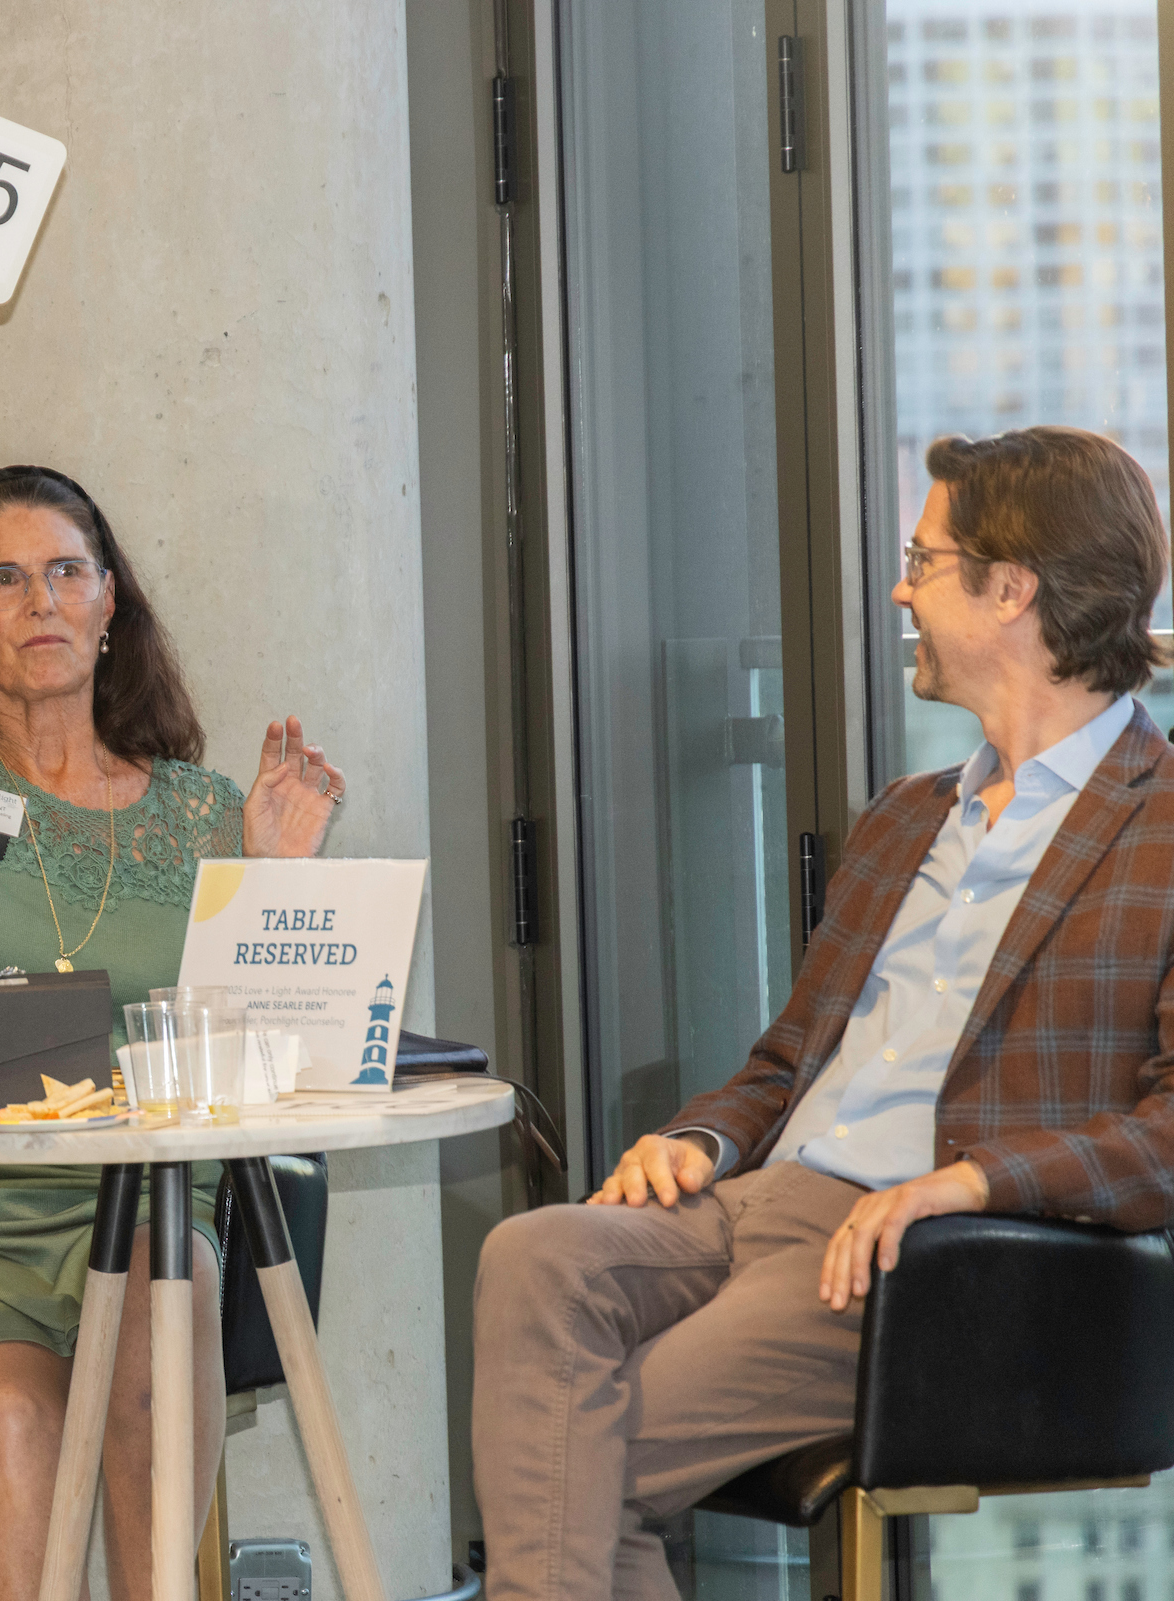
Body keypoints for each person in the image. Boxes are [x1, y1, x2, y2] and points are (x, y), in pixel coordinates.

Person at [470, 425, 1174, 1601]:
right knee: (536, 1251)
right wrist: (699, 1139)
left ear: (1012, 589)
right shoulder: (906, 816)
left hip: (922, 1257)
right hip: (762, 1198)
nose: (901, 590)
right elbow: (790, 1057)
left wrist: (969, 1183)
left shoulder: (1162, 826)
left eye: (923, 561)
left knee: (582, 1460)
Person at [0, 283, 347, 1601]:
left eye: (66, 570)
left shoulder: (208, 812)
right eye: (1, 576)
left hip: (141, 1214)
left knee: (162, 1321)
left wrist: (274, 889)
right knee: (19, 1421)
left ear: (109, 604)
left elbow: (266, 1059)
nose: (38, 597)